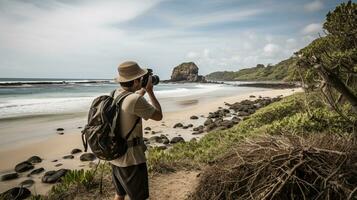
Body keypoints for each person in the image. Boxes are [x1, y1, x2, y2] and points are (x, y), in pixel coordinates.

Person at [110, 61, 163, 200]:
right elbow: (158, 115)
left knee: (119, 195)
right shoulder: (135, 100)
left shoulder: (115, 94)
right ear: (135, 81)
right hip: (132, 160)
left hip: (116, 155)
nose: (142, 80)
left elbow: (133, 100)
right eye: (141, 78)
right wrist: (150, 91)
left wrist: (143, 90)